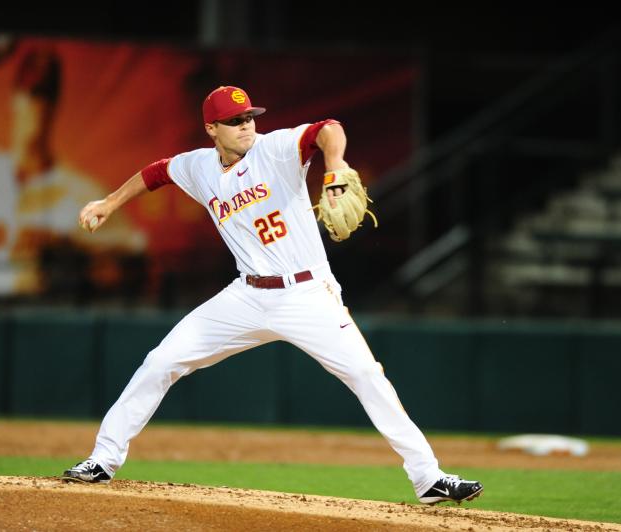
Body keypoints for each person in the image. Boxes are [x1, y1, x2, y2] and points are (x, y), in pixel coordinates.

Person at [61, 85, 483, 505]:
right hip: (245, 296)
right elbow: (157, 172)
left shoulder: (275, 149)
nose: (246, 126)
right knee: (161, 362)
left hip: (306, 295)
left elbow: (327, 129)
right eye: (234, 121)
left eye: (249, 117)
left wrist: (335, 167)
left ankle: (428, 478)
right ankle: (103, 459)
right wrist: (110, 203)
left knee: (367, 377)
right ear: (211, 128)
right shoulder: (199, 167)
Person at [0, 36, 143, 295]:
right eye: (30, 91)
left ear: (55, 103)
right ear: (14, 97)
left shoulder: (84, 191)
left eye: (45, 93)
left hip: (42, 314)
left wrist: (74, 248)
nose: (36, 104)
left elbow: (135, 256)